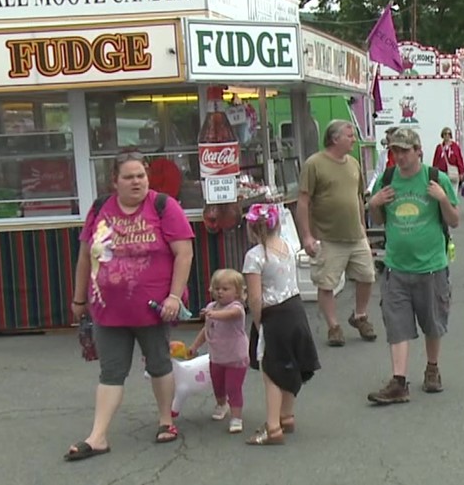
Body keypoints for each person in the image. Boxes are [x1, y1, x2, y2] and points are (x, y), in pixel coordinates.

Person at [65, 152, 195, 461]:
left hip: (153, 309)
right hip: (107, 310)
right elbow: (85, 256)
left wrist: (174, 297)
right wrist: (78, 299)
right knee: (111, 371)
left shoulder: (163, 206)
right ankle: (97, 437)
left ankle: (166, 421)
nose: (136, 182)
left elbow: (184, 253)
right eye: (128, 177)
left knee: (159, 363)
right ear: (115, 181)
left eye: (141, 176)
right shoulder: (99, 209)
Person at [367, 128, 460, 404]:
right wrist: (374, 204)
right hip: (396, 266)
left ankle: (432, 368)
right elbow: (379, 219)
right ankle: (398, 382)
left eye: (405, 151)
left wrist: (442, 198)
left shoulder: (435, 178)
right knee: (396, 324)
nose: (400, 156)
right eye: (395, 151)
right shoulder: (386, 180)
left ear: (418, 150)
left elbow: (454, 220)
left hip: (431, 266)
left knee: (433, 321)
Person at [242, 203, 320, 445]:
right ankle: (287, 415)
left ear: (252, 228)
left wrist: (257, 321)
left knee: (272, 370)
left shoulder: (255, 256)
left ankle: (273, 426)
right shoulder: (287, 246)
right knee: (290, 363)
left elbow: (255, 297)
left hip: (274, 314)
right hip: (295, 309)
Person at [296, 119, 378, 347]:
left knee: (367, 276)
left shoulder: (353, 163)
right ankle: (333, 326)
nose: (354, 139)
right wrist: (307, 236)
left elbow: (358, 198)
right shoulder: (314, 164)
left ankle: (360, 316)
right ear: (335, 139)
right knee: (327, 284)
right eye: (349, 136)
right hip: (328, 237)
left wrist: (364, 228)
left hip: (356, 235)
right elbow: (303, 202)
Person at [188, 268, 249, 434]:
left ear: (237, 292)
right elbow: (206, 330)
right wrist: (194, 346)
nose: (220, 292)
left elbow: (230, 315)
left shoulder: (237, 308)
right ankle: (222, 404)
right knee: (218, 385)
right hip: (216, 357)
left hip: (236, 357)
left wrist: (213, 314)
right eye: (217, 288)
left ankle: (236, 417)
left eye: (225, 289)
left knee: (233, 387)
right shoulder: (211, 307)